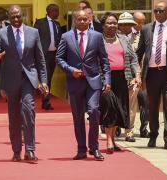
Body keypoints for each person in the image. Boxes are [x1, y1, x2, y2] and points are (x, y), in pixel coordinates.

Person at [0, 5, 48, 162]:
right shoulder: (0, 33)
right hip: (10, 80)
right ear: (9, 17)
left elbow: (40, 59)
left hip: (29, 78)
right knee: (14, 116)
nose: (16, 19)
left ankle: (30, 149)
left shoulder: (33, 32)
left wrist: (43, 80)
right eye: (13, 17)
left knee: (28, 111)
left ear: (23, 16)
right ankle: (16, 150)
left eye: (18, 16)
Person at [56, 10, 111, 161]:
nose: (81, 22)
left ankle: (94, 147)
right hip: (74, 83)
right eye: (79, 19)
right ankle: (81, 149)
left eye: (84, 19)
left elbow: (104, 61)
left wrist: (107, 80)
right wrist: (70, 70)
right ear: (74, 20)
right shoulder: (66, 37)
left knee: (94, 111)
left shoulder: (97, 37)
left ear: (89, 20)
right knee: (78, 117)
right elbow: (59, 58)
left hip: (93, 82)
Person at [137, 1, 167, 150]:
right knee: (152, 106)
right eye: (156, 11)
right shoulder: (146, 29)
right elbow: (139, 52)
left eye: (161, 11)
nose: (158, 13)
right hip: (151, 73)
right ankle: (153, 136)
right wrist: (135, 73)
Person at [99, 12, 141, 153]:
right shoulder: (98, 40)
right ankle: (109, 140)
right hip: (106, 78)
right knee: (110, 108)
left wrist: (138, 75)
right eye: (109, 23)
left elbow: (133, 59)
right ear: (103, 25)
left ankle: (113, 139)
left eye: (114, 23)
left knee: (119, 109)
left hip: (123, 77)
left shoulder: (123, 39)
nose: (112, 25)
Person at [34, 4, 62, 110]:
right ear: (50, 11)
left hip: (53, 55)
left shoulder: (57, 24)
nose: (58, 13)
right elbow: (35, 38)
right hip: (43, 55)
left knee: (49, 78)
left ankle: (45, 99)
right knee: (45, 78)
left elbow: (58, 39)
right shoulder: (40, 23)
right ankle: (45, 102)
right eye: (56, 11)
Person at [117, 12, 139, 142]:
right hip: (115, 76)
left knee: (131, 105)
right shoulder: (110, 37)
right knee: (116, 104)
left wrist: (138, 75)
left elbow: (134, 59)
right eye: (123, 24)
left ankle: (129, 131)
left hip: (130, 76)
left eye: (128, 24)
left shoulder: (136, 36)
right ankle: (115, 126)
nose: (125, 27)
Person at [133, 11, 150, 137]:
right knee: (128, 104)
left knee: (145, 101)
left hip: (143, 75)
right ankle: (125, 128)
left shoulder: (147, 33)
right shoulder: (125, 34)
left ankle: (144, 129)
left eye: (143, 22)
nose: (141, 25)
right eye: (138, 22)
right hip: (129, 75)